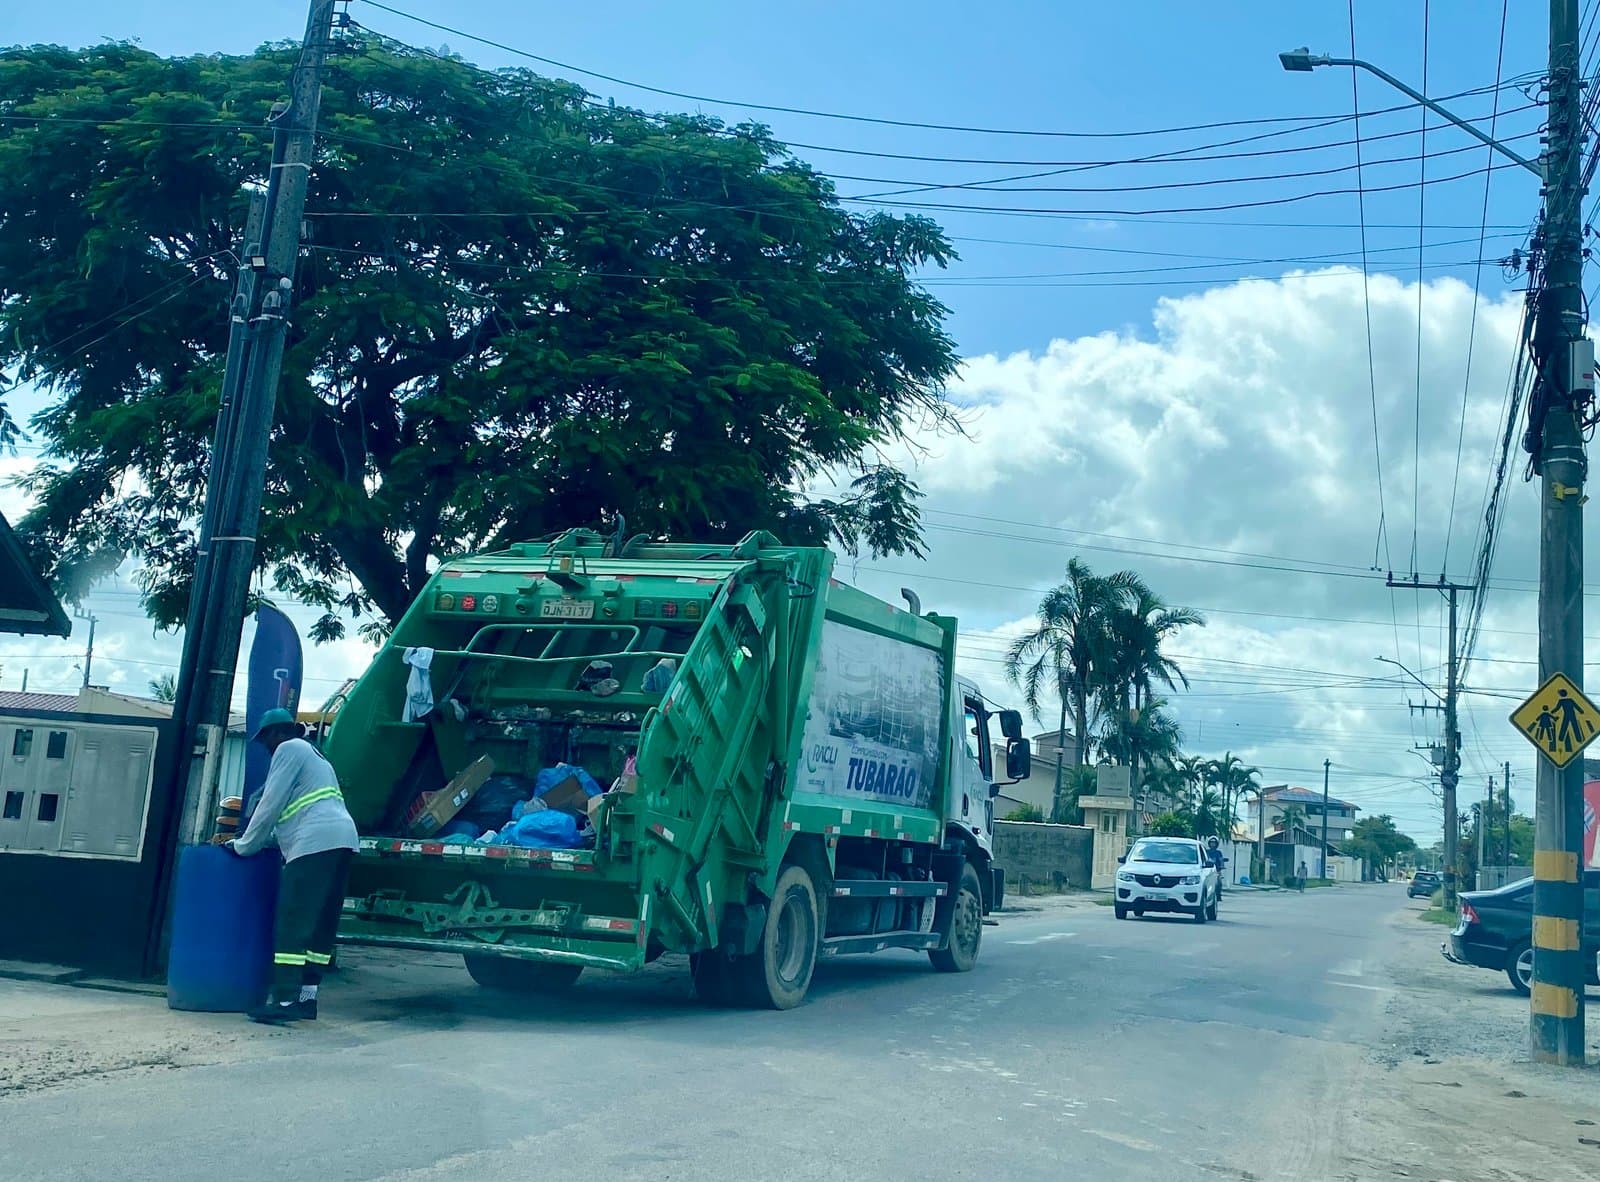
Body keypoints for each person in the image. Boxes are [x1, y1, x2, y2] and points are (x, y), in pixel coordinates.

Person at [227, 707, 359, 1025]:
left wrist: (244, 846)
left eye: (265, 740)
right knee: (320, 925)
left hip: (314, 842)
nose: (266, 748)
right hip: (343, 840)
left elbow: (270, 804)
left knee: (293, 922)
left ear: (276, 733)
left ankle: (284, 1000)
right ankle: (306, 1000)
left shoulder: (289, 748)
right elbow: (294, 809)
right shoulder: (317, 755)